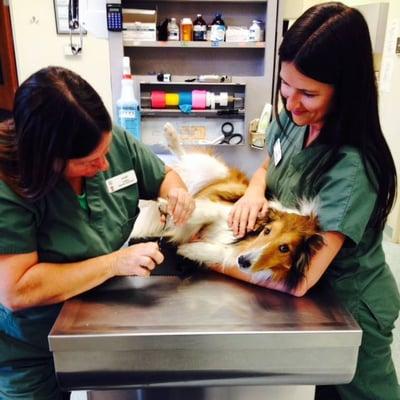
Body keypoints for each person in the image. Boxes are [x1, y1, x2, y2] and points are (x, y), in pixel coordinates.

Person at [218, 2, 400, 399]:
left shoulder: (350, 168)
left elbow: (300, 279)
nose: (291, 101)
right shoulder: (294, 117)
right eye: (285, 84)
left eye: (308, 93)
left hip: (352, 303)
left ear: (345, 91)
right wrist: (253, 190)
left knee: (359, 390)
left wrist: (211, 257)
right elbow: (269, 165)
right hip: (320, 300)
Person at [0, 66, 195, 399]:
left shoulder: (108, 141)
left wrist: (176, 191)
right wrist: (114, 264)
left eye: (105, 152)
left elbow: (163, 175)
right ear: (47, 159)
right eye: (90, 162)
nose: (105, 165)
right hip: (28, 348)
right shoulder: (8, 186)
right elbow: (16, 290)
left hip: (91, 321)